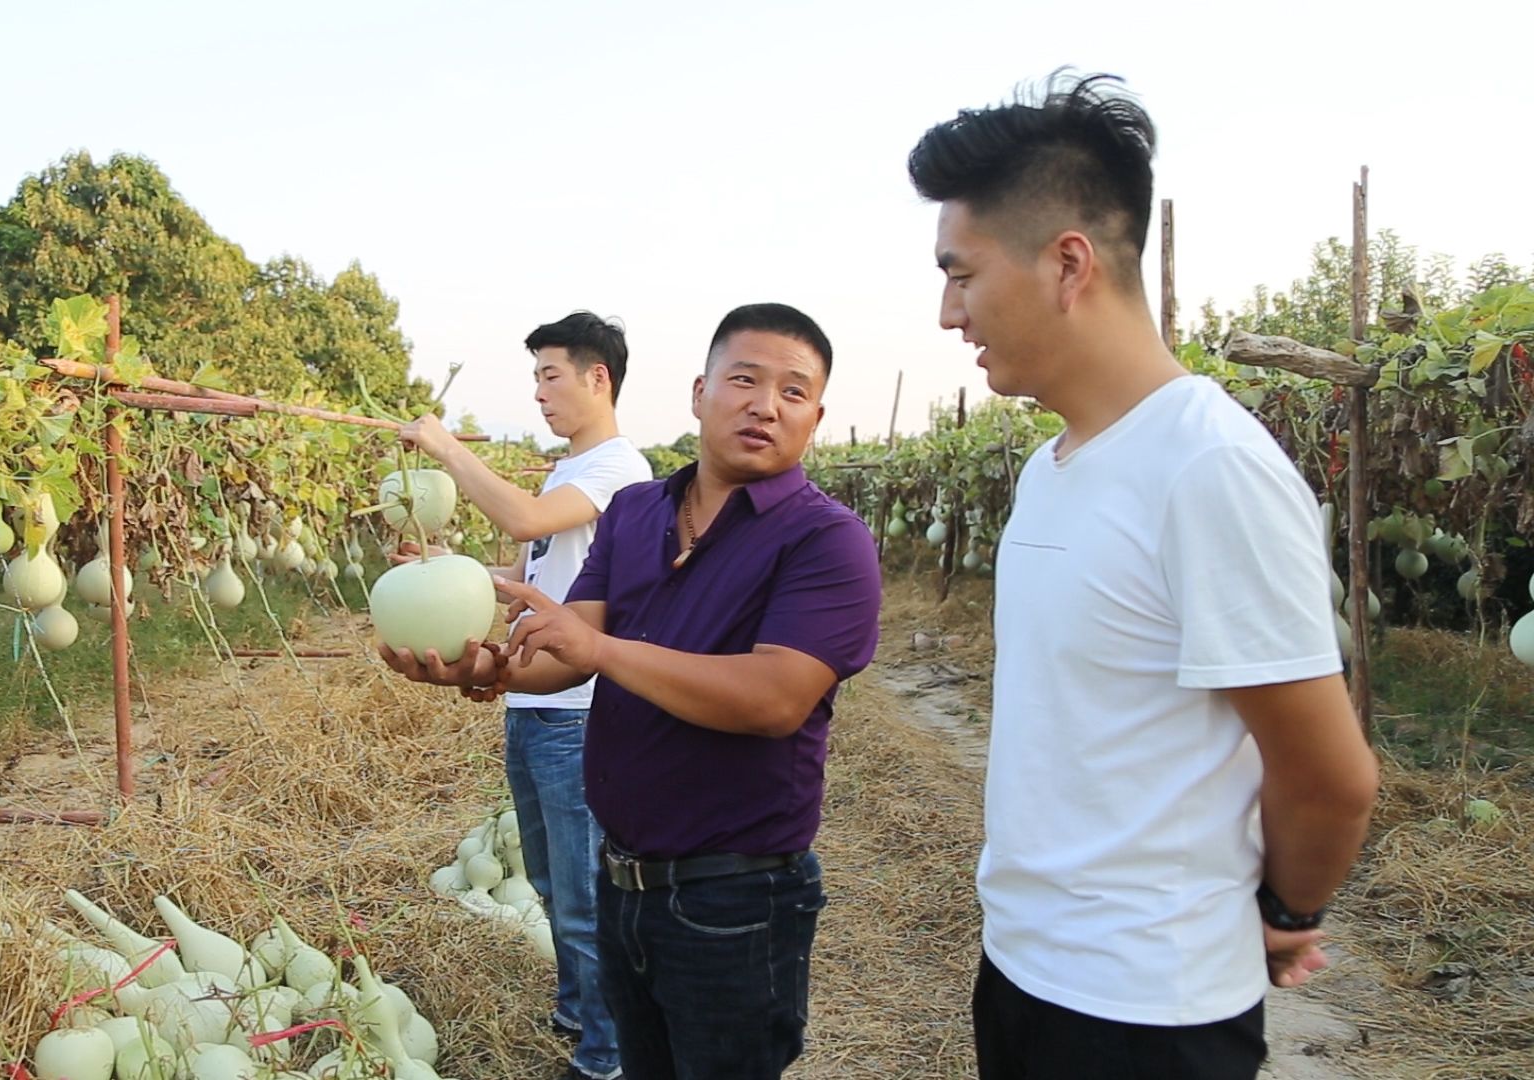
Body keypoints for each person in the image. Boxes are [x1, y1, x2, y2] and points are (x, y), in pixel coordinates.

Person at [905, 71, 1381, 1078]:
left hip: (1147, 1018)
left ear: (1067, 263)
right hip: (1024, 972)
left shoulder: (1208, 469)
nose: (950, 313)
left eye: (962, 273)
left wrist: (1287, 912)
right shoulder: (1052, 468)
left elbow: (1330, 777)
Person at [384, 302, 883, 1080]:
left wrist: (602, 648)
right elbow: (566, 646)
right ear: (698, 391)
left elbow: (774, 698)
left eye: (793, 391)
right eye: (744, 380)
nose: (764, 404)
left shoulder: (827, 541)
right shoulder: (635, 512)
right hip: (625, 883)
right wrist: (488, 670)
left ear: (816, 416)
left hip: (737, 898)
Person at [399, 311, 652, 1080]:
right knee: (548, 880)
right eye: (535, 378)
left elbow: (525, 519)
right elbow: (529, 585)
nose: (539, 393)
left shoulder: (616, 468)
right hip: (534, 703)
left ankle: (606, 1057)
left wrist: (445, 448)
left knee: (581, 896)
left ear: (596, 377)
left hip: (580, 712)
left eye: (550, 375)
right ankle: (581, 1010)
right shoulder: (563, 473)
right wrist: (442, 565)